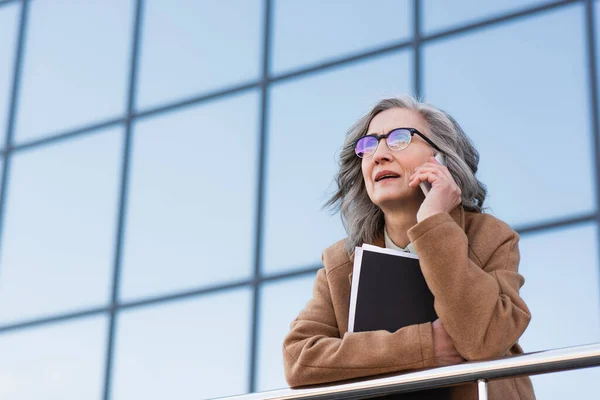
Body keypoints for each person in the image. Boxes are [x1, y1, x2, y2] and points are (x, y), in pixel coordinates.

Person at [282, 95, 535, 399]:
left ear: (441, 157)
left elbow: (484, 339)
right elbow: (299, 359)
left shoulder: (490, 237)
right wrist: (425, 347)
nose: (379, 155)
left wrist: (434, 223)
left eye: (399, 139)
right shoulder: (341, 262)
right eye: (369, 145)